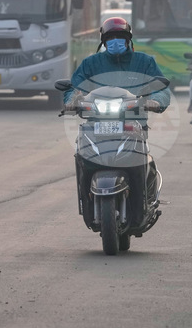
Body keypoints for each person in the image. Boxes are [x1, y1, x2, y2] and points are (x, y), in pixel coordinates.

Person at [64, 17, 171, 227]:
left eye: (120, 37)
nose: (115, 41)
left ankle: (145, 203)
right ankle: (86, 201)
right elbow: (73, 87)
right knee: (82, 158)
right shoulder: (91, 64)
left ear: (128, 39)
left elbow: (161, 87)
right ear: (103, 42)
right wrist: (72, 101)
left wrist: (155, 101)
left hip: (133, 125)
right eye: (110, 38)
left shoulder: (144, 62)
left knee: (143, 164)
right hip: (95, 126)